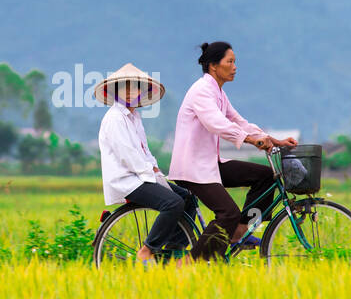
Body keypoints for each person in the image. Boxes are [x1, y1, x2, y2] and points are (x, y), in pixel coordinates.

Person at [169, 41, 297, 261]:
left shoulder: (218, 92)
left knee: (265, 176)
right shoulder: (201, 91)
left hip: (210, 163)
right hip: (192, 167)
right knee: (228, 212)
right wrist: (250, 140)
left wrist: (274, 141)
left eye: (235, 62)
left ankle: (239, 233)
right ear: (213, 66)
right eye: (230, 61)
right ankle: (189, 263)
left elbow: (239, 121)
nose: (235, 66)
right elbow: (215, 123)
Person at [95, 63, 198, 266]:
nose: (133, 92)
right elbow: (128, 155)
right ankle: (148, 249)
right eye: (127, 88)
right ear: (117, 92)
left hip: (140, 176)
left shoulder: (134, 117)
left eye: (136, 88)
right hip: (128, 179)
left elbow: (144, 151)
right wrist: (151, 174)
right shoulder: (115, 119)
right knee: (173, 203)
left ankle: (173, 252)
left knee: (188, 199)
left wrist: (156, 170)